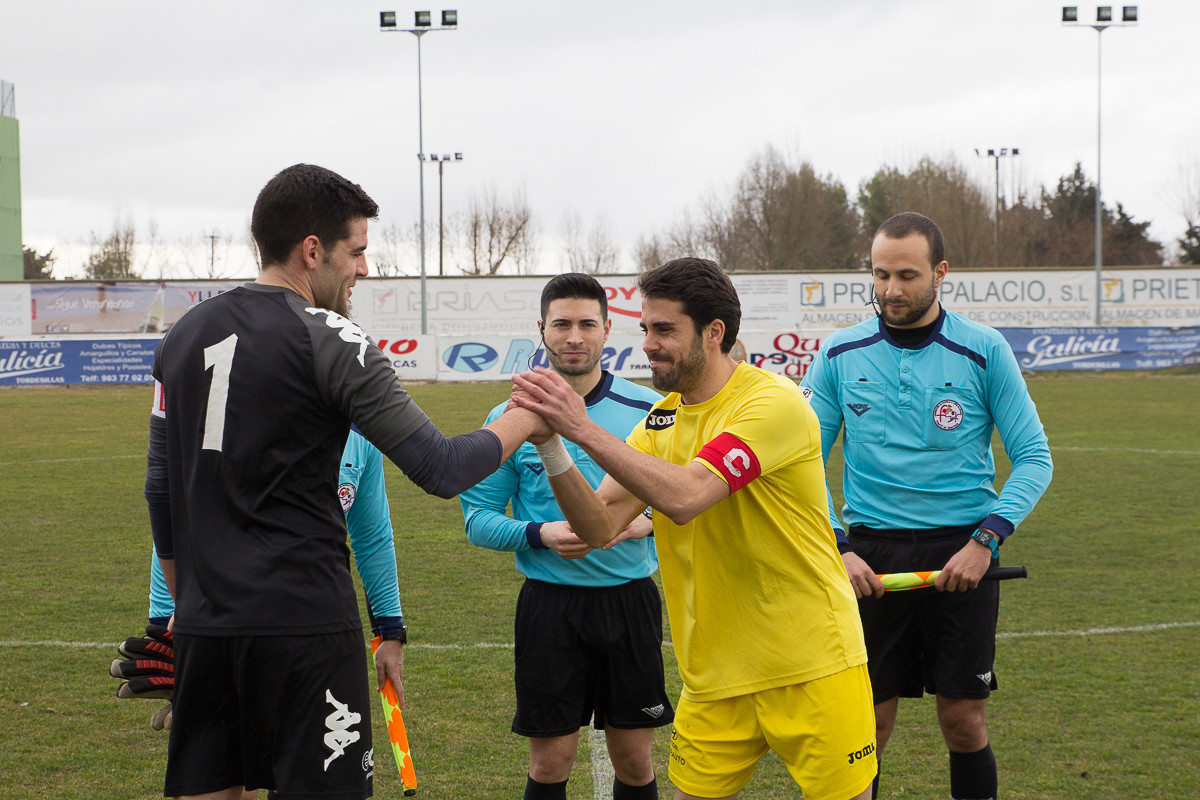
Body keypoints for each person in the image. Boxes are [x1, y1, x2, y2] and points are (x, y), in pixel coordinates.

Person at [146, 163, 544, 800]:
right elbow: (441, 467)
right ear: (312, 251)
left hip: (204, 626)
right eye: (356, 251)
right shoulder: (331, 337)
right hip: (303, 629)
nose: (364, 268)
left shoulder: (180, 335)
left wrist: (186, 603)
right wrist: (529, 416)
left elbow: (160, 488)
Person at [511, 258, 876, 800]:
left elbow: (686, 497)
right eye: (645, 329)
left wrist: (581, 427)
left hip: (811, 664)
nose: (648, 345)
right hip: (713, 678)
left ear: (713, 332)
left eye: (664, 330)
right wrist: (551, 444)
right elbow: (597, 526)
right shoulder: (660, 420)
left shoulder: (771, 402)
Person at [800, 212, 1053, 800]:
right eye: (880, 275)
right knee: (866, 727)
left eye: (907, 276)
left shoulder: (984, 349)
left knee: (964, 722)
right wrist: (838, 546)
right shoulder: (839, 352)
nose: (891, 289)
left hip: (963, 552)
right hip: (868, 556)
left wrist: (985, 541)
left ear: (940, 272)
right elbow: (801, 463)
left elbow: (1034, 457)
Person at [458, 274, 672, 800]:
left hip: (629, 603)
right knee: (550, 762)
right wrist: (539, 533)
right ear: (542, 329)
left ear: (608, 329)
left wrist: (646, 520)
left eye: (586, 324)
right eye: (561, 324)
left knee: (635, 760)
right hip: (550, 608)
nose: (574, 337)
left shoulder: (652, 410)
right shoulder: (510, 418)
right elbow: (477, 518)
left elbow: (687, 497)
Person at [113, 427, 402, 800]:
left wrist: (390, 631)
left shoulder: (361, 432)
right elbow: (177, 516)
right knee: (233, 779)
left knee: (312, 781)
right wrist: (171, 624)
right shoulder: (241, 410)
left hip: (316, 631)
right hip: (229, 625)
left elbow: (372, 535)